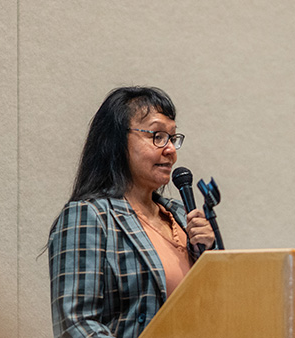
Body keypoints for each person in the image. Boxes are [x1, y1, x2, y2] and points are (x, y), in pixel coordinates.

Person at [48, 86, 216, 338]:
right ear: (116, 141)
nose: (170, 149)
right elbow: (77, 325)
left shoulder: (181, 217)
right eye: (157, 136)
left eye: (172, 137)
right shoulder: (89, 216)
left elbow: (216, 309)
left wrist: (210, 253)